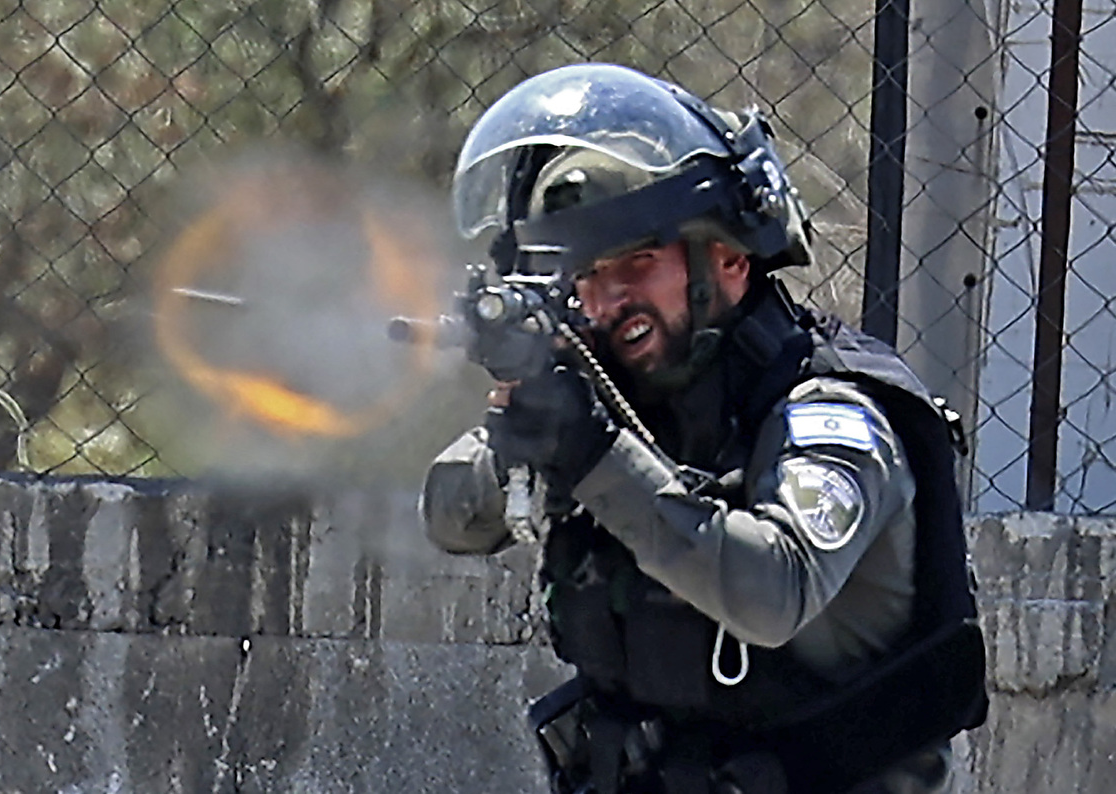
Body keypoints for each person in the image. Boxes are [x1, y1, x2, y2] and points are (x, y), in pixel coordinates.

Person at [419, 63, 988, 794]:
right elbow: (449, 518)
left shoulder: (831, 414)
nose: (606, 297)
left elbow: (770, 592)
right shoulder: (619, 394)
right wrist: (522, 436)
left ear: (729, 257)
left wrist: (594, 456)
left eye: (637, 261)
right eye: (584, 273)